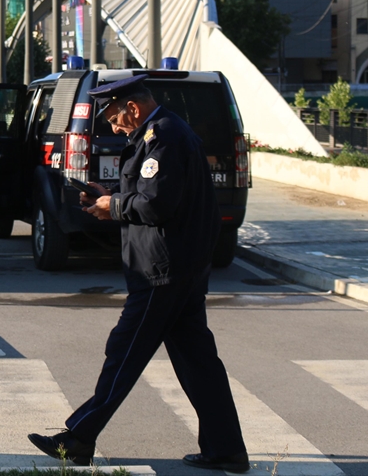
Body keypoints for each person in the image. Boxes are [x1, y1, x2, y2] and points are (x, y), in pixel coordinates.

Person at [26, 74, 248, 473]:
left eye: (112, 118)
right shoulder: (159, 134)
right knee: (199, 364)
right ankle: (226, 448)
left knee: (123, 352)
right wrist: (106, 197)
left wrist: (113, 206)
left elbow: (154, 206)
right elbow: (150, 198)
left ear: (133, 107)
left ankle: (78, 437)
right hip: (179, 266)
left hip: (162, 271)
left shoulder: (162, 138)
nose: (111, 127)